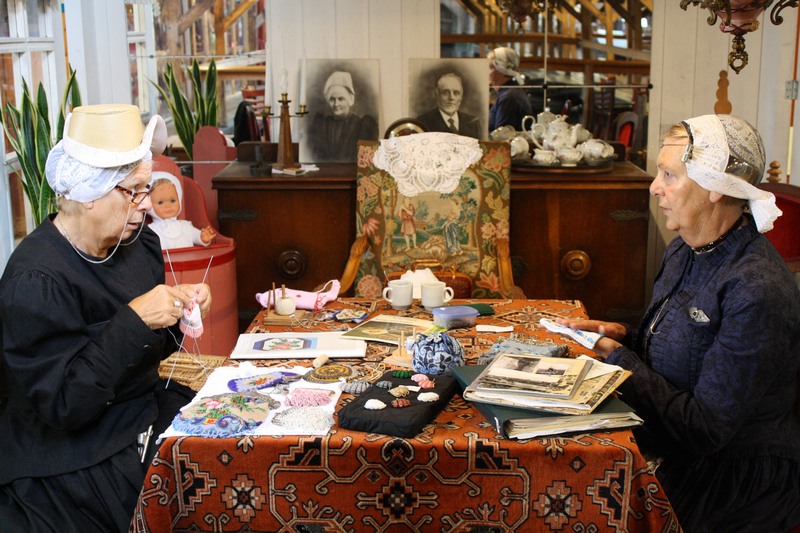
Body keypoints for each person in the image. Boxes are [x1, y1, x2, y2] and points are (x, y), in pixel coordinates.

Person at [556, 114, 800, 532]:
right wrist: (624, 336)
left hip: (733, 476)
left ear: (713, 188)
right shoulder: (685, 249)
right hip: (677, 445)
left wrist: (623, 361)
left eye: (670, 174)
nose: (654, 187)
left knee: (578, 508)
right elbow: (686, 350)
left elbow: (706, 429)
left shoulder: (756, 289)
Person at [0, 104, 212, 532]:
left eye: (147, 187)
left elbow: (147, 353)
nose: (145, 205)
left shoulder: (139, 245)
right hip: (67, 450)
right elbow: (64, 406)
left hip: (137, 409)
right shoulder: (35, 280)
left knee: (232, 443)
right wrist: (134, 321)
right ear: (87, 192)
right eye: (133, 191)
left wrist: (177, 313)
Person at [308, 71, 378, 162]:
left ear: (350, 100)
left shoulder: (361, 125)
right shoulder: (322, 125)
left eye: (341, 99)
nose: (336, 104)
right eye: (332, 99)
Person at [148, 171, 217, 250]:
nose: (168, 206)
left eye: (173, 201)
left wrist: (203, 238)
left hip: (188, 262)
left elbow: (196, 237)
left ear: (179, 199)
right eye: (160, 202)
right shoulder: (151, 231)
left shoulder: (186, 226)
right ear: (149, 204)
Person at [416, 72, 482, 139]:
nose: (451, 98)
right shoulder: (423, 122)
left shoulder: (473, 123)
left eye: (456, 93)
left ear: (461, 96)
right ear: (437, 94)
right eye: (446, 92)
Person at [488, 47, 532, 132]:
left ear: (501, 69)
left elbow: (502, 139)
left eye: (490, 67)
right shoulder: (510, 92)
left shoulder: (509, 98)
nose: (487, 72)